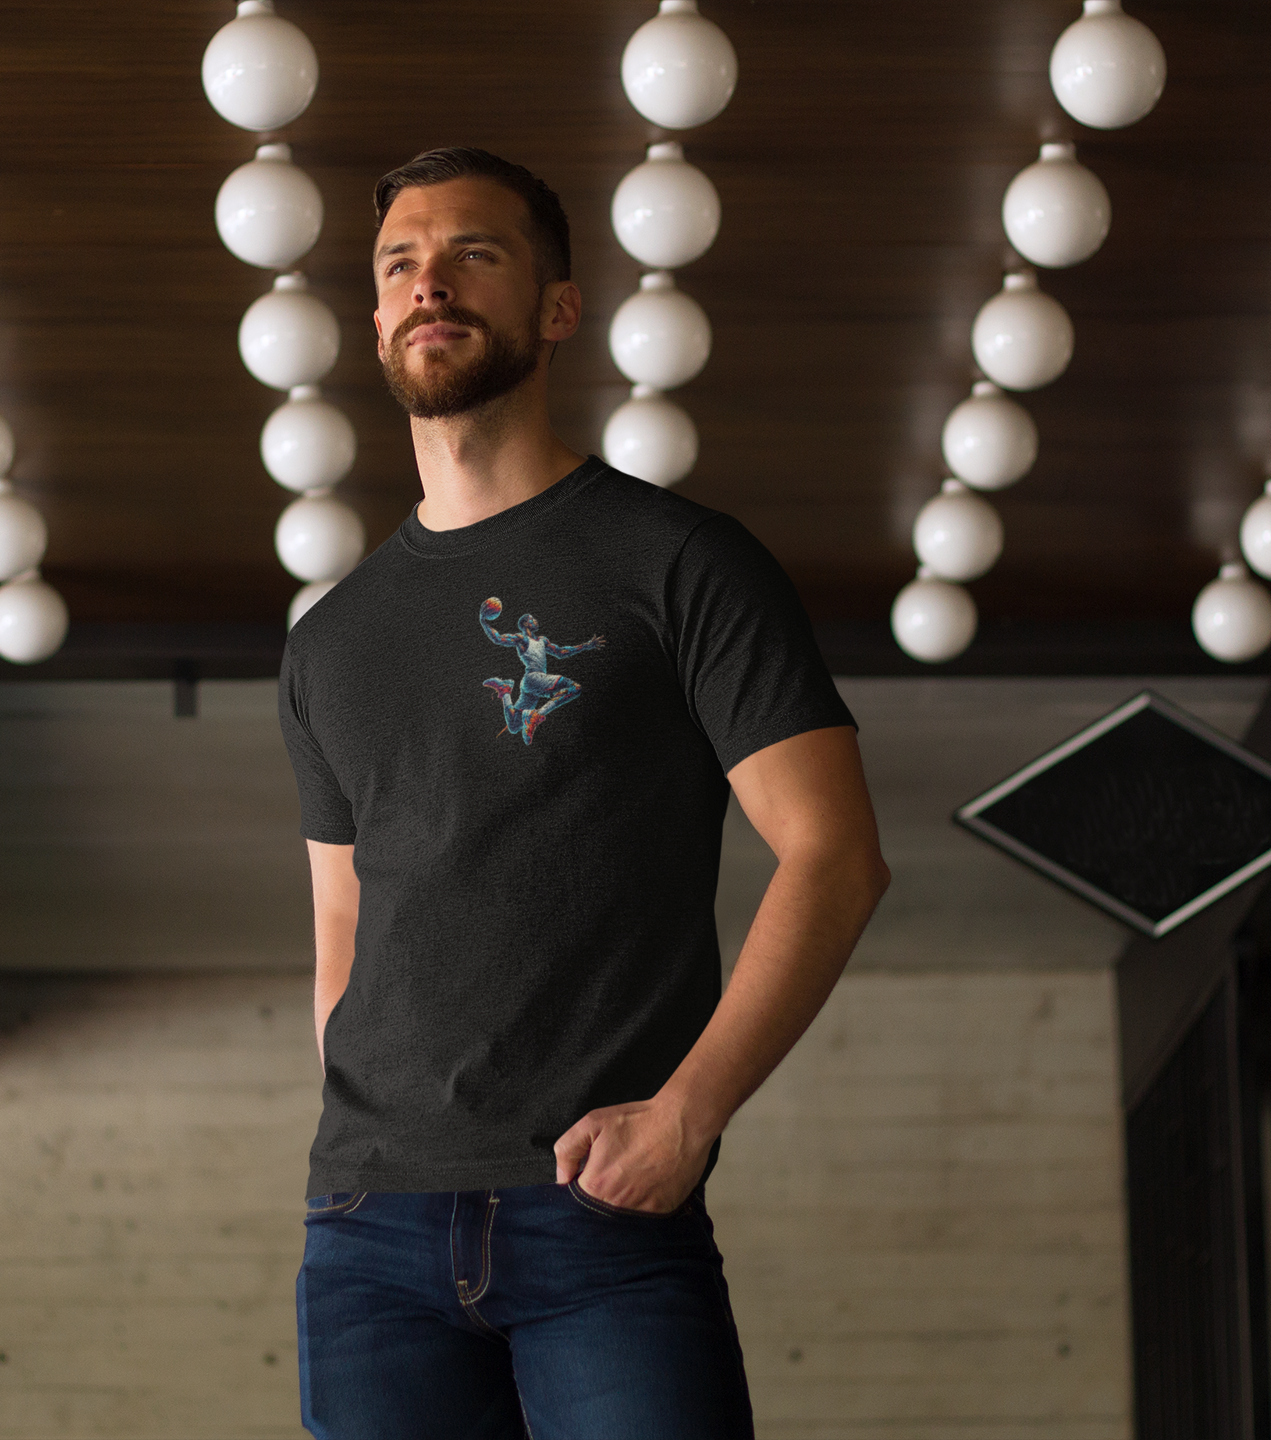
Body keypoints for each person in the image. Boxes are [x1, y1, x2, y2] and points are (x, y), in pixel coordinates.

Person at [277, 147, 891, 1440]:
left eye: (474, 254)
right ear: (375, 320)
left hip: (600, 1217)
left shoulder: (681, 563)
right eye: (400, 264)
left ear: (558, 307)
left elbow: (835, 854)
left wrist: (690, 1115)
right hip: (369, 1233)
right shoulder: (329, 644)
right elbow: (342, 924)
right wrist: (366, 1140)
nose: (429, 283)